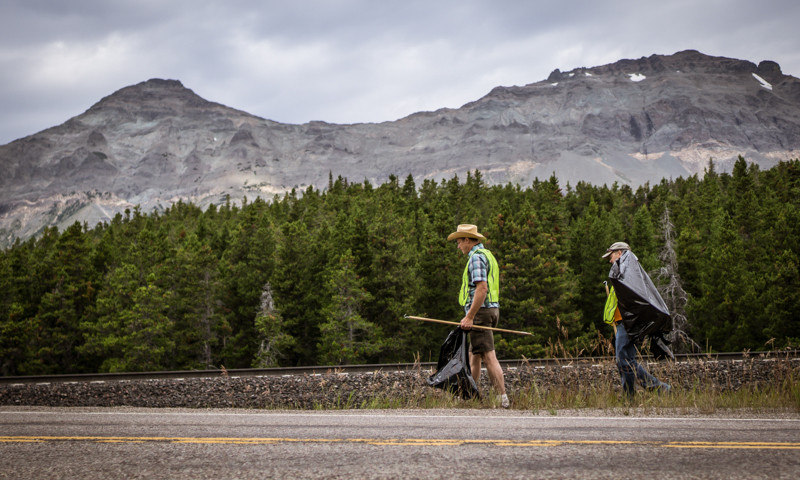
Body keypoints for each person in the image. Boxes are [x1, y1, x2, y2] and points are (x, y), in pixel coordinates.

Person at [447, 224, 509, 408]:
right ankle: (469, 396)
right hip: (488, 310)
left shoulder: (476, 259)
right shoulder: (487, 254)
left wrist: (470, 317)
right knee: (474, 355)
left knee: (488, 355)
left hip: (480, 312)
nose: (458, 246)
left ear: (467, 240)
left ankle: (502, 399)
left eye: (459, 242)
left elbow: (482, 288)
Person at [602, 241, 671, 398]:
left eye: (611, 256)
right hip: (624, 322)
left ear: (619, 253)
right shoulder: (624, 271)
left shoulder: (627, 271)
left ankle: (656, 388)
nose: (610, 260)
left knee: (623, 359)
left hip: (628, 324)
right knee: (626, 360)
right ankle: (631, 395)